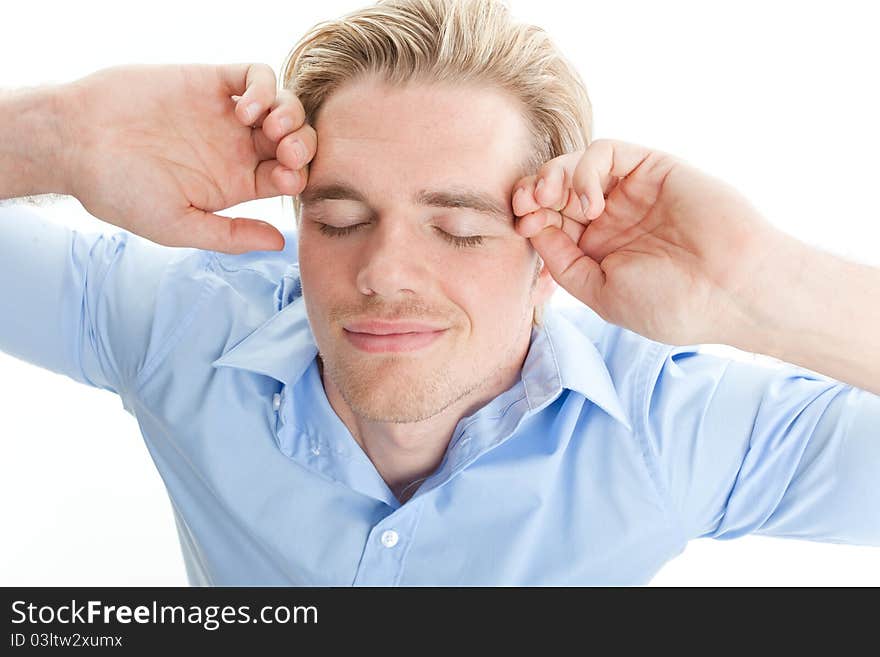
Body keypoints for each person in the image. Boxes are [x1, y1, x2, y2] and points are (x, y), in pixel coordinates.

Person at [0, 0, 877, 586]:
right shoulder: (180, 329)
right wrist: (52, 138)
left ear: (548, 255)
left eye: (458, 229)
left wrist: (766, 284)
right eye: (339, 217)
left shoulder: (667, 431)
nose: (384, 271)